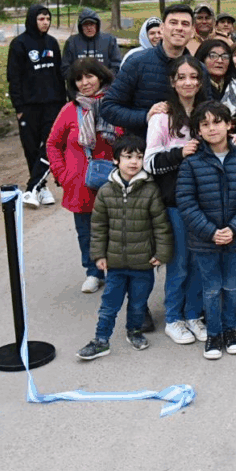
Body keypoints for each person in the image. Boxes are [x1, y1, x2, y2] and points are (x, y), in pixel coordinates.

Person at [177, 101, 236, 360]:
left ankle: (230, 331)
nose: (212, 128)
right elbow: (186, 201)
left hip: (235, 237)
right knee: (211, 287)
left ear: (229, 125)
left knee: (230, 286)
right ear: (198, 131)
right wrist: (210, 231)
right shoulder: (191, 163)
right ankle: (213, 333)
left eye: (217, 122)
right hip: (205, 239)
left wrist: (234, 228)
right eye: (205, 124)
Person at [75, 136, 173, 360]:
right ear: (115, 159)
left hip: (143, 263)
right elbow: (98, 226)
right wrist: (98, 255)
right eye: (128, 156)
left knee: (138, 303)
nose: (133, 162)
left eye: (139, 157)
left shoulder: (150, 190)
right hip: (116, 264)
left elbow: (161, 224)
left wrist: (161, 253)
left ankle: (134, 331)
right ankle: (101, 340)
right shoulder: (106, 191)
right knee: (109, 305)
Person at [146, 56, 210, 345]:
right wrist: (179, 153)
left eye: (194, 76)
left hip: (206, 200)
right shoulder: (162, 117)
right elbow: (149, 163)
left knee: (200, 261)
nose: (188, 82)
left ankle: (194, 314)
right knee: (180, 262)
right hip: (175, 203)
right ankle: (174, 317)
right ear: (172, 81)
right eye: (182, 77)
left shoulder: (208, 113)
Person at [45, 58, 120, 295]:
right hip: (79, 181)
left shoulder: (115, 106)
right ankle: (93, 272)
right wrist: (62, 173)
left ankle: (117, 271)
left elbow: (127, 137)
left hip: (113, 179)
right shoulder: (69, 110)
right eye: (79, 78)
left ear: (101, 76)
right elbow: (53, 144)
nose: (85, 82)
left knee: (117, 228)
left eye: (90, 76)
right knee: (86, 230)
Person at [102, 4, 194, 138]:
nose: (179, 28)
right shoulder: (137, 62)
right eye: (173, 23)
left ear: (192, 32)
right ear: (162, 28)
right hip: (141, 149)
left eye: (185, 24)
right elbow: (108, 108)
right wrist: (146, 116)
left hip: (185, 150)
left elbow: (205, 111)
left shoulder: (198, 69)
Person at [7, 4, 65, 208]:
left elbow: (59, 74)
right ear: (33, 20)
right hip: (29, 107)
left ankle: (32, 187)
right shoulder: (19, 44)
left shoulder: (52, 43)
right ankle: (41, 187)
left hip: (53, 105)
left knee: (50, 145)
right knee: (31, 148)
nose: (45, 23)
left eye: (48, 19)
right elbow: (13, 78)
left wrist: (63, 102)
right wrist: (19, 107)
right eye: (41, 19)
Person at [60, 7, 122, 79]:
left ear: (97, 25)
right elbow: (65, 69)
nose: (89, 28)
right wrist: (82, 80)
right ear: (81, 26)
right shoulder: (72, 42)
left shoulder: (109, 40)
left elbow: (117, 66)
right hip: (79, 85)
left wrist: (103, 79)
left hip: (104, 85)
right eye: (85, 25)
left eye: (92, 24)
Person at [196, 38, 236, 110]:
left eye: (225, 56)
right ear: (202, 59)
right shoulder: (195, 86)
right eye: (213, 56)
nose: (220, 61)